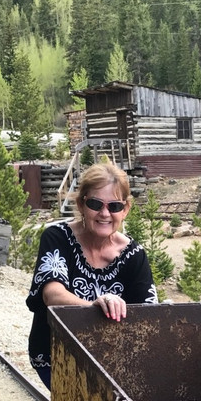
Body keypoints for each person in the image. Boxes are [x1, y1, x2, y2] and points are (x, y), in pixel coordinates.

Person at [27, 162, 158, 388]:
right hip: (56, 354)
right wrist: (94, 306)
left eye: (115, 206)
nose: (105, 213)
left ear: (125, 209)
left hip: (112, 363)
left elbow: (147, 315)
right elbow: (52, 294)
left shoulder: (134, 255)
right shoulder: (57, 237)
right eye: (96, 204)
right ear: (81, 204)